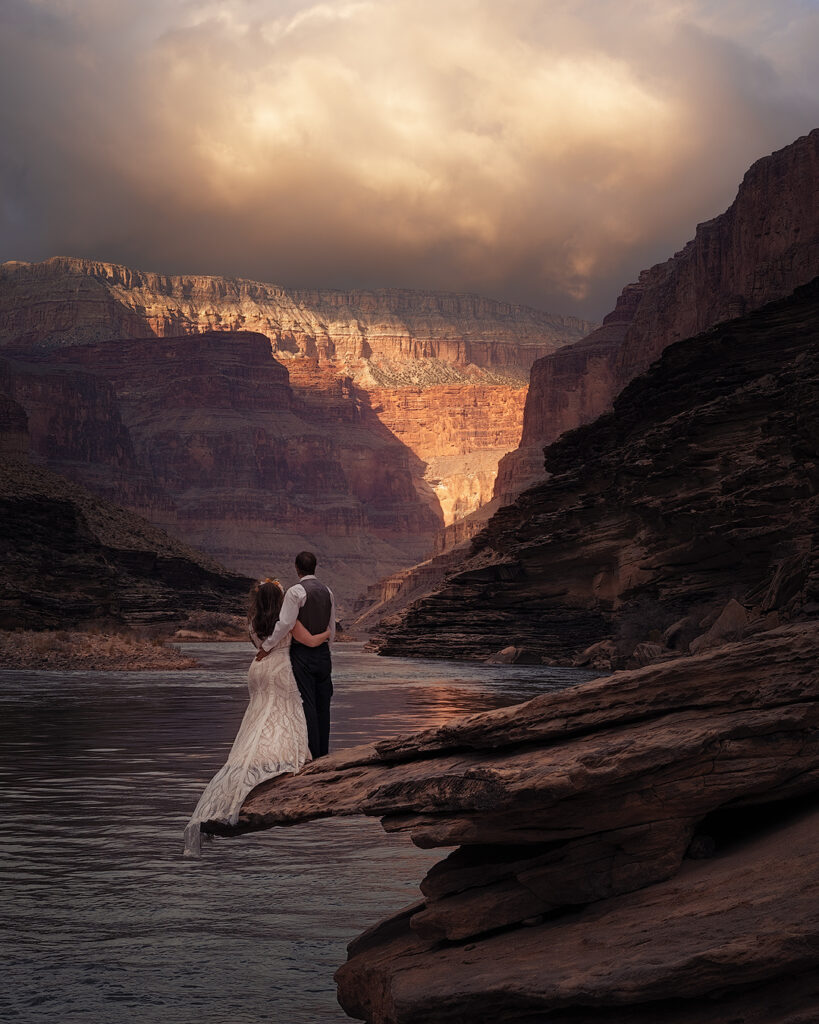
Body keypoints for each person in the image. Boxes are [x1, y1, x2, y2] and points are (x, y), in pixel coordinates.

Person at [183, 577, 329, 857]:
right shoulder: (287, 619)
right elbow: (307, 640)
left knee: (259, 714)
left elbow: (259, 646)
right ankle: (281, 757)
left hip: (257, 669)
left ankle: (247, 763)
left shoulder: (253, 622)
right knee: (284, 710)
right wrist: (326, 635)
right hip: (281, 667)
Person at [255, 551, 334, 759]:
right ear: (315, 567)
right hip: (324, 654)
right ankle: (324, 753)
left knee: (307, 702)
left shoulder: (295, 591)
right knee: (324, 703)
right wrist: (327, 644)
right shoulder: (328, 591)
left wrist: (268, 646)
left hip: (303, 655)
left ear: (297, 568)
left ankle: (314, 754)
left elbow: (285, 624)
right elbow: (331, 624)